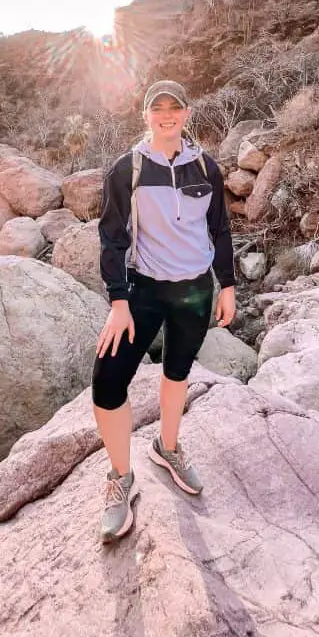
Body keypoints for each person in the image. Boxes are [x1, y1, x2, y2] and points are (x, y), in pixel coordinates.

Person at [92, 79, 236, 542]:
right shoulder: (127, 169)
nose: (167, 115)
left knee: (177, 373)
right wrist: (119, 301)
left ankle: (166, 447)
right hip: (145, 290)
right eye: (159, 108)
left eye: (175, 107)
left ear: (187, 114)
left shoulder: (205, 167)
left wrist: (227, 286)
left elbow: (220, 231)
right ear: (147, 116)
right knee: (108, 380)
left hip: (195, 290)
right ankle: (120, 477)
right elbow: (112, 237)